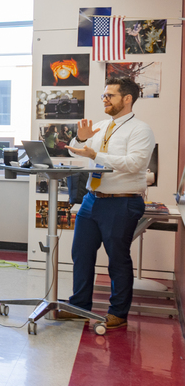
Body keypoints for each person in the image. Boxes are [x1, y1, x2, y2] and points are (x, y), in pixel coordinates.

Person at [66, 77, 154, 331]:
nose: (104, 99)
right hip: (92, 200)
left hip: (122, 203)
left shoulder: (140, 130)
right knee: (81, 255)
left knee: (117, 259)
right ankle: (79, 306)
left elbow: (135, 164)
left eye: (110, 96)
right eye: (104, 95)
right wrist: (82, 140)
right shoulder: (103, 126)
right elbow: (77, 152)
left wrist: (95, 154)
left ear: (127, 99)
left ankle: (118, 313)